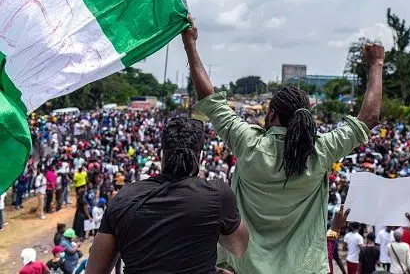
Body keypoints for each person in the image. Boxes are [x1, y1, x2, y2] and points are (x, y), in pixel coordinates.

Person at [185, 16, 384, 273]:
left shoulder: (248, 144)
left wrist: (190, 44)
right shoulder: (321, 151)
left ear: (271, 115)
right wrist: (377, 64)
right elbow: (369, 118)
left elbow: (210, 99)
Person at [87, 116, 249, 274]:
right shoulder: (217, 195)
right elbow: (239, 248)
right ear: (201, 156)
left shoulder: (124, 197)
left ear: (161, 154)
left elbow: (95, 270)